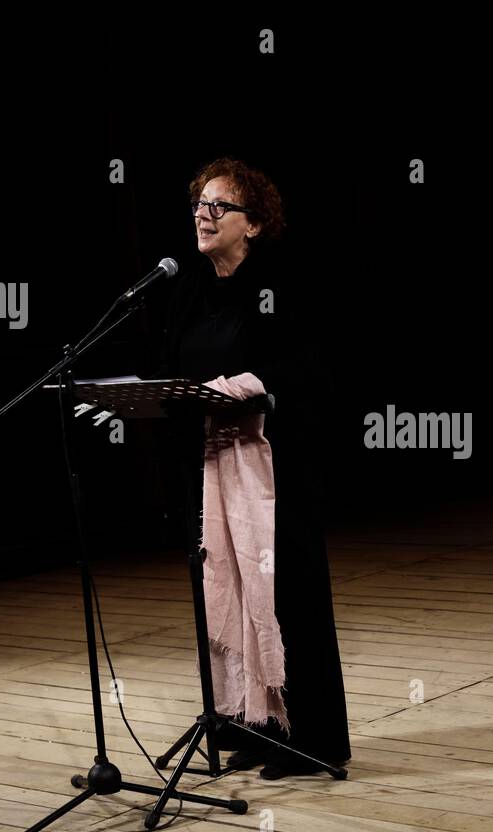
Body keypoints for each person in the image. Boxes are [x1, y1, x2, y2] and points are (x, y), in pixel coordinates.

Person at [148, 157, 351, 778]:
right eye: (198, 205)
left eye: (220, 207)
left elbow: (306, 370)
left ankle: (313, 739)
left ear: (254, 224)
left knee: (288, 597)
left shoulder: (282, 285)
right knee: (230, 594)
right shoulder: (189, 289)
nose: (203, 216)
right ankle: (257, 724)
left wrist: (240, 388)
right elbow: (174, 371)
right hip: (212, 467)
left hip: (275, 470)